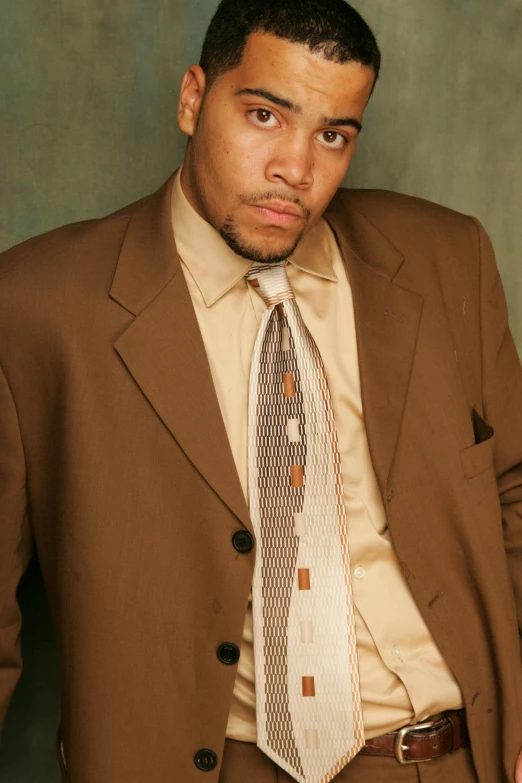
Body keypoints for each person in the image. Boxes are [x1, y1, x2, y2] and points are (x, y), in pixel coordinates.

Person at [1, 0, 521, 780]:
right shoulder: (37, 304)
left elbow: (514, 490)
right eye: (264, 115)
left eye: (333, 134)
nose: (296, 171)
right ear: (191, 99)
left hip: (442, 757)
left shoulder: (447, 256)